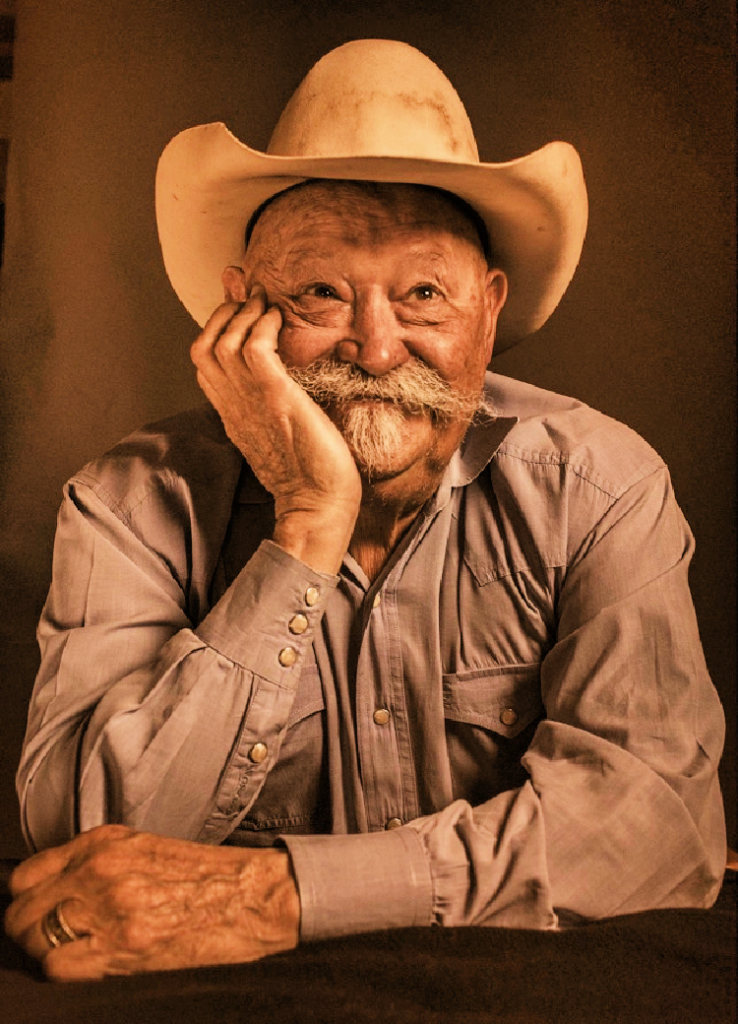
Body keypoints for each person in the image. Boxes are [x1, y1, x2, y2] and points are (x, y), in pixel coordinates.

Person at [5, 39, 726, 980]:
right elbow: (84, 844)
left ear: (490, 309)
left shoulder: (599, 485)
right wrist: (307, 521)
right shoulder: (128, 501)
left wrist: (279, 895)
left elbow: (657, 827)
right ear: (242, 313)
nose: (379, 351)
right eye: (321, 294)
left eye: (423, 293)